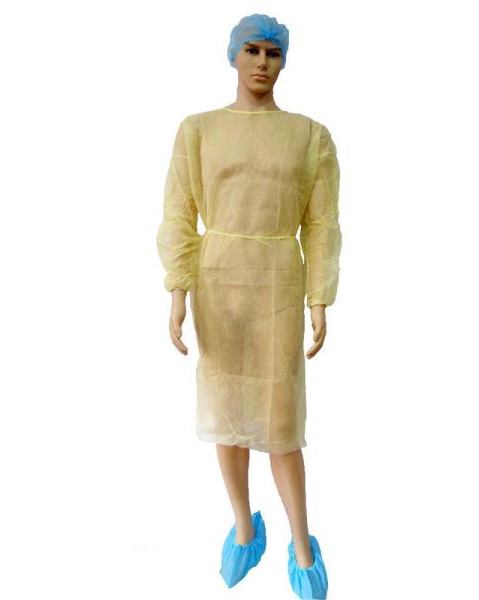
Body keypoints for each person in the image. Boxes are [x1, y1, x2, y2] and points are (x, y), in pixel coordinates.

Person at [156, 14, 341, 599]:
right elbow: (179, 213)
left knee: (282, 424)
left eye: (273, 53)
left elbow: (322, 223)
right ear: (233, 56)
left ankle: (302, 543)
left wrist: (319, 297)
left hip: (279, 283)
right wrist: (178, 290)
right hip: (218, 283)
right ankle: (243, 526)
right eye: (252, 50)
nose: (262, 62)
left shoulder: (309, 136)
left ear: (284, 61)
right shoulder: (199, 130)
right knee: (228, 414)